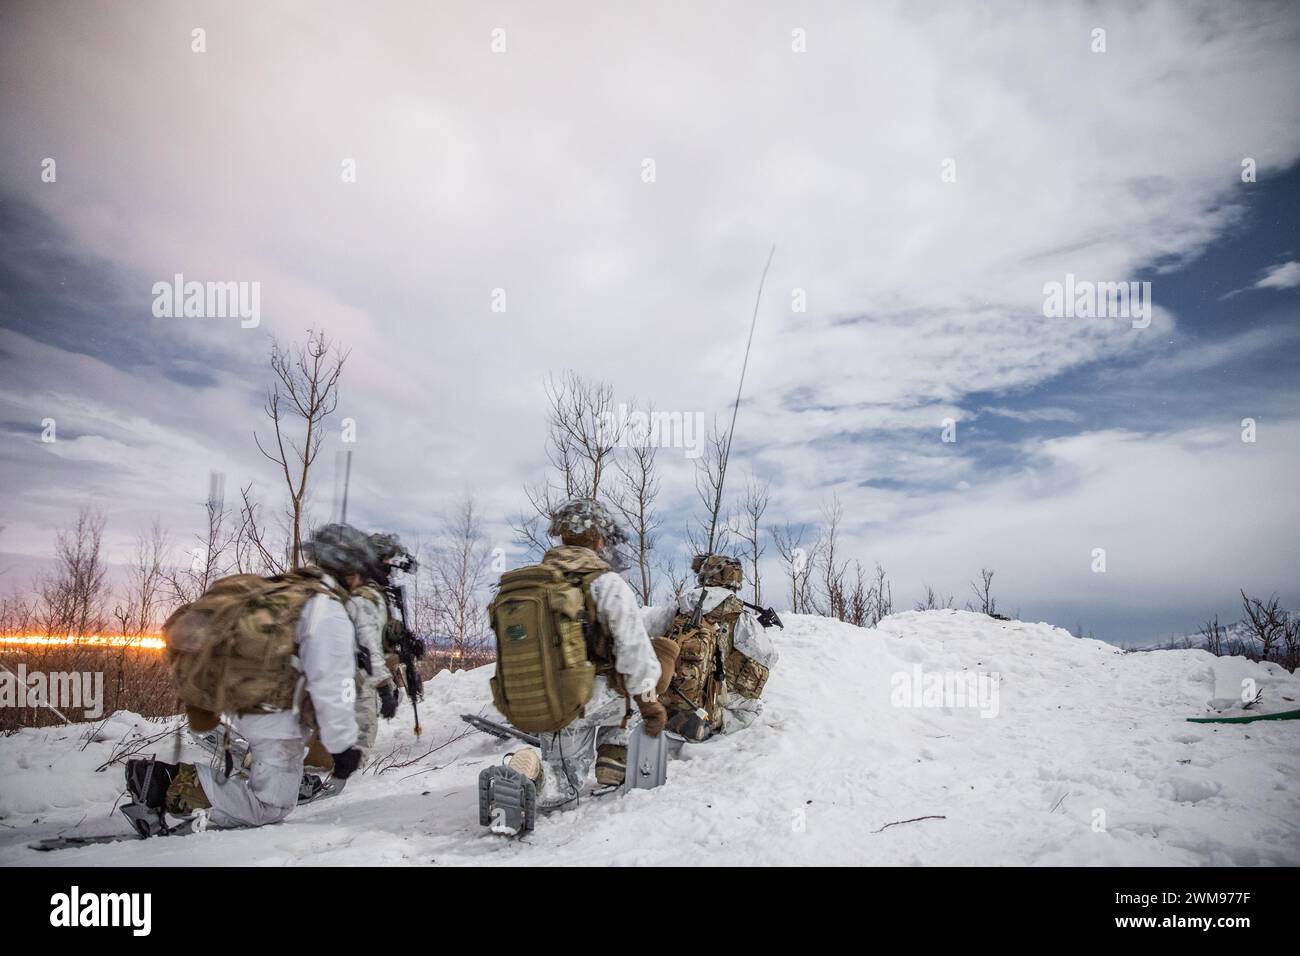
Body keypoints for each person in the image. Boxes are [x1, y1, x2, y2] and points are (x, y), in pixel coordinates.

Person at [127, 524, 369, 828]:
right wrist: (343, 746)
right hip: (271, 710)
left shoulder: (287, 588)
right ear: (350, 572)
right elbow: (331, 683)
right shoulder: (328, 607)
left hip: (240, 696)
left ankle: (179, 791)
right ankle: (166, 783)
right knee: (270, 806)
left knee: (271, 787)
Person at [503, 498, 666, 806]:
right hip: (594, 699)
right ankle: (614, 761)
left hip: (545, 701)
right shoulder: (607, 583)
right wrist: (651, 706)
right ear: (599, 539)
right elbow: (635, 653)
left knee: (561, 787)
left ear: (563, 536)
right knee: (632, 692)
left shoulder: (536, 582)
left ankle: (531, 770)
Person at [644, 553, 779, 740]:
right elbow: (768, 656)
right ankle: (715, 721)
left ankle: (672, 712)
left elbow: (646, 628)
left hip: (666, 696)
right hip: (709, 705)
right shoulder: (738, 614)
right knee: (755, 707)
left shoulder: (680, 605)